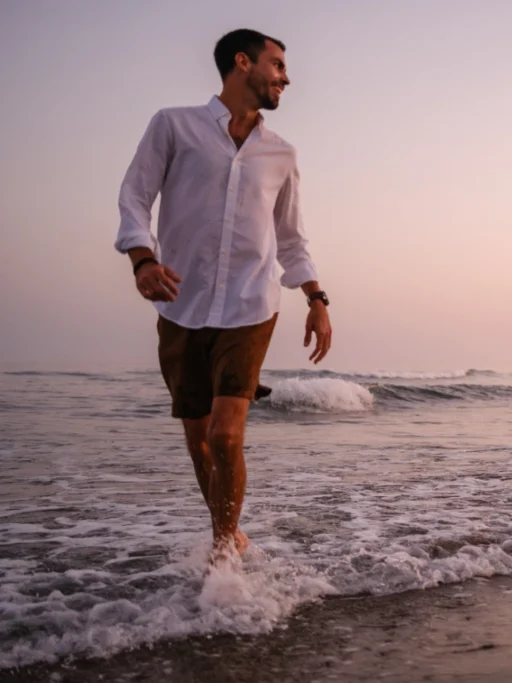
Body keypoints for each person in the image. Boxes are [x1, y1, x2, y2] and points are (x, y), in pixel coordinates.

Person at [114, 28, 333, 563]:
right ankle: (228, 529)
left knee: (227, 435)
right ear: (243, 62)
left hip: (251, 305)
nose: (286, 76)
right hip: (180, 304)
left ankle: (222, 553)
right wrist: (141, 260)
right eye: (277, 64)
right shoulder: (174, 126)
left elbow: (291, 236)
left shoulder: (281, 153)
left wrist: (316, 297)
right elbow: (134, 197)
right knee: (199, 440)